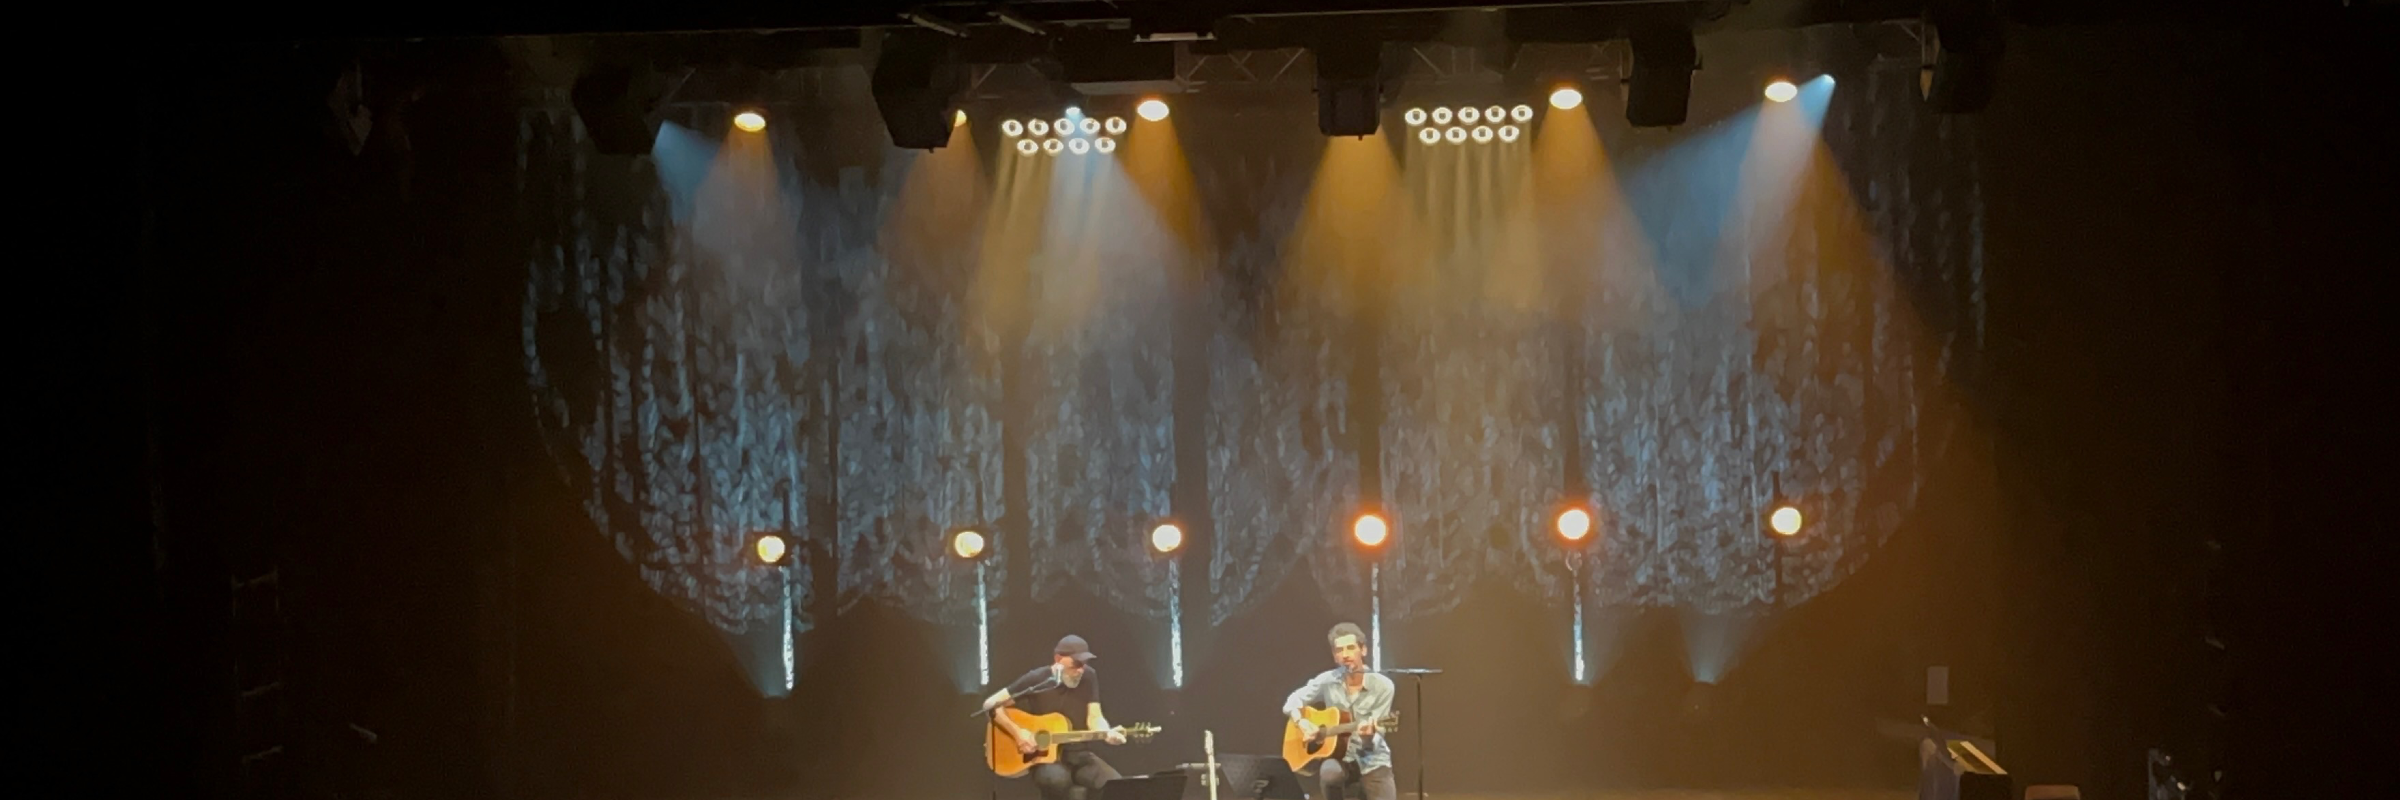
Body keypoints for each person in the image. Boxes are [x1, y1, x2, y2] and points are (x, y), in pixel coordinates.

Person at [982, 635, 1125, 800]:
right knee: (1057, 780)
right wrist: (1018, 733)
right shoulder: (1037, 679)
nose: (1080, 670)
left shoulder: (1089, 677)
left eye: (1084, 664)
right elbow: (991, 704)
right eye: (1075, 664)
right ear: (1058, 659)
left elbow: (1095, 716)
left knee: (1115, 784)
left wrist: (1107, 733)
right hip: (1045, 757)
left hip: (1079, 755)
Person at [1282, 622, 1396, 800]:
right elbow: (1291, 702)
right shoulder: (1327, 680)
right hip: (1339, 758)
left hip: (1373, 761)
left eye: (1350, 648)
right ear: (1335, 656)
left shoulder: (1383, 686)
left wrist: (1368, 737)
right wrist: (1302, 722)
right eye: (1340, 650)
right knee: (1329, 773)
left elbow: (1376, 737)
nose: (1346, 655)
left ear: (1363, 650)